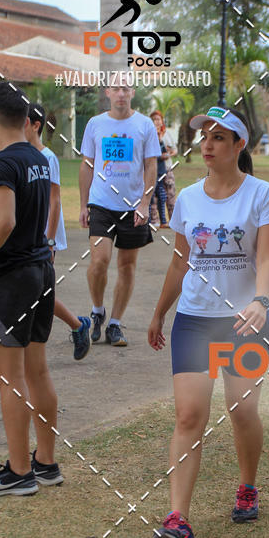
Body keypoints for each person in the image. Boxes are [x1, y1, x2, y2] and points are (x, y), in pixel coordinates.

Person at [149, 107, 269, 538]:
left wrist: (261, 301)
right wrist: (159, 313)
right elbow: (180, 260)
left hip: (243, 323)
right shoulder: (187, 198)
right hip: (194, 319)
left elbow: (266, 258)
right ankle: (178, 519)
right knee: (189, 416)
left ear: (239, 145)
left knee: (241, 411)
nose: (207, 144)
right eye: (204, 137)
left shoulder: (262, 195)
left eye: (219, 137)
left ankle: (247, 486)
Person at [0, 81, 62, 495]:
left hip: (11, 279)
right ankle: (45, 462)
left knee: (7, 377)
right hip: (40, 271)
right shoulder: (39, 157)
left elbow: (4, 222)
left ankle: (18, 473)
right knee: (37, 371)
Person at [79, 84, 160, 347]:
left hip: (132, 206)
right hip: (101, 204)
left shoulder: (145, 125)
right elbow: (87, 164)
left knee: (126, 266)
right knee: (99, 261)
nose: (121, 93)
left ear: (133, 92)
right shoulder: (95, 124)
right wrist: (83, 204)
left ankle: (114, 323)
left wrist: (144, 203)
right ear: (108, 93)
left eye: (126, 88)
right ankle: (97, 309)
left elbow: (151, 166)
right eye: (116, 88)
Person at [25, 104, 91, 360]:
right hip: (28, 237)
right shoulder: (21, 155)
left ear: (35, 125)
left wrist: (49, 241)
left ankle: (78, 325)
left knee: (41, 292)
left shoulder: (47, 157)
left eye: (22, 121)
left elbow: (55, 201)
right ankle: (77, 324)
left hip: (44, 238)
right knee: (38, 292)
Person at [149, 109, 177, 222]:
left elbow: (175, 150)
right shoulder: (149, 134)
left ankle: (173, 221)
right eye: (154, 119)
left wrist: (169, 154)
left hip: (167, 169)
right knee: (154, 196)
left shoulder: (167, 134)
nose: (156, 122)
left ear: (162, 121)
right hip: (154, 170)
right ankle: (155, 221)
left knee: (170, 195)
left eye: (158, 119)